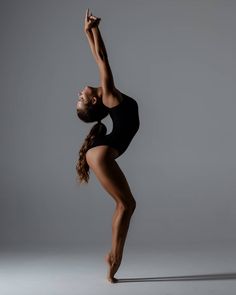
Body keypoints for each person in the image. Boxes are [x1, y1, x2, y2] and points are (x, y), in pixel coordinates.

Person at [76, 9, 140, 283]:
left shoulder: (108, 95)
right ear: (93, 103)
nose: (79, 94)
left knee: (124, 205)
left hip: (100, 151)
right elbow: (102, 58)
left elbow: (96, 56)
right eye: (80, 98)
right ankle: (113, 260)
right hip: (101, 152)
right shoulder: (110, 94)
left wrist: (86, 32)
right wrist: (96, 30)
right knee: (126, 205)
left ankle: (112, 261)